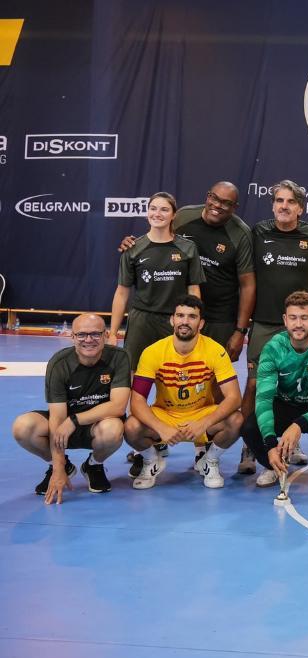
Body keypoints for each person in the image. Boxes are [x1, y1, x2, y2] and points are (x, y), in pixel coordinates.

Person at [236, 180, 308, 474]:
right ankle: (251, 445)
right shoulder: (257, 233)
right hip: (265, 322)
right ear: (273, 205)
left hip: (301, 326)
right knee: (255, 384)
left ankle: (294, 439)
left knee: (301, 383)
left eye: (290, 202)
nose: (284, 206)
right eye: (279, 200)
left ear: (300, 208)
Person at [123, 295, 243, 489]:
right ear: (172, 319)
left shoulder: (215, 350)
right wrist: (161, 428)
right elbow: (137, 401)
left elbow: (234, 398)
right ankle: (151, 460)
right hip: (166, 415)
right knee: (131, 427)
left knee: (236, 421)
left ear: (201, 323)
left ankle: (209, 461)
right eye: (180, 315)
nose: (185, 321)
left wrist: (204, 422)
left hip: (201, 414)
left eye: (192, 316)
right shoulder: (153, 352)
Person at [12, 314, 130, 502]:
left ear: (106, 335)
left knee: (114, 429)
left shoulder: (119, 357)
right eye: (82, 334)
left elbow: (118, 406)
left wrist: (74, 420)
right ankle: (61, 465)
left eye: (95, 334)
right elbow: (57, 419)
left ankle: (94, 465)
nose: (89, 340)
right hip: (63, 426)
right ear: (72, 337)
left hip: (96, 424)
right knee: (23, 427)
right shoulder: (59, 364)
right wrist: (58, 470)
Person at [242, 291, 308, 491]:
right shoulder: (273, 348)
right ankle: (271, 465)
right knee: (249, 428)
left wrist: (297, 425)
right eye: (293, 318)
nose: (298, 324)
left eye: (304, 318)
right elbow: (263, 399)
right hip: (284, 403)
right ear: (285, 320)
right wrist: (271, 444)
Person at [109, 192, 204, 370]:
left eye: (164, 209)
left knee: (175, 375)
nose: (157, 214)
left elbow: (193, 290)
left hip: (174, 320)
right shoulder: (133, 248)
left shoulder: (188, 248)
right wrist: (113, 333)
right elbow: (121, 293)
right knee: (134, 374)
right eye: (153, 209)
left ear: (174, 215)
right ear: (147, 212)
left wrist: (193, 321)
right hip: (141, 321)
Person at [172, 182, 255, 359]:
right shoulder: (183, 217)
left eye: (225, 203)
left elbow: (248, 286)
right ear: (208, 196)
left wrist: (240, 331)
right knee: (179, 370)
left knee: (215, 379)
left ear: (235, 207)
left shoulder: (241, 234)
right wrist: (133, 244)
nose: (217, 205)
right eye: (214, 198)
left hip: (220, 318)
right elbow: (159, 242)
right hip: (184, 313)